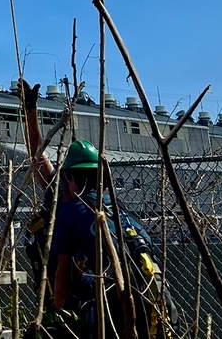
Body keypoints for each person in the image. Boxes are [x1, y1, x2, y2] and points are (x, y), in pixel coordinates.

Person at [18, 79, 173, 339]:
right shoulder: (112, 207)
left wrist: (57, 309)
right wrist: (30, 112)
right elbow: (38, 156)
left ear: (71, 177)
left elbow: (64, 274)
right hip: (144, 296)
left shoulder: (72, 210)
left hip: (105, 300)